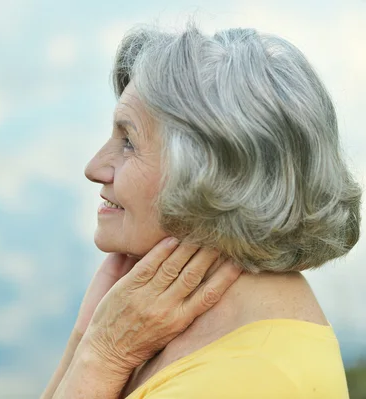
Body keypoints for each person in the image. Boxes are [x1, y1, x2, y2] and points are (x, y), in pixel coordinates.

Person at [41, 21, 361, 399]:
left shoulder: (241, 382)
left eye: (128, 142)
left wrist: (102, 356)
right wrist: (88, 336)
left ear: (216, 173)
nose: (94, 167)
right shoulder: (179, 331)